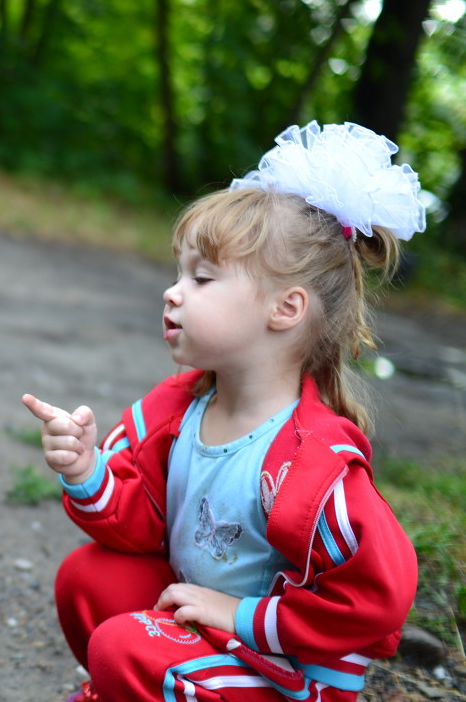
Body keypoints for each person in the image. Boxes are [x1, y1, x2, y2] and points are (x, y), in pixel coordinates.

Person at [22, 121, 424, 701]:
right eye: (179, 273)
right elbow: (141, 529)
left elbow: (380, 595)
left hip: (288, 671)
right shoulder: (177, 410)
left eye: (202, 278)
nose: (173, 292)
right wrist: (87, 470)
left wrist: (240, 614)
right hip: (211, 629)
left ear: (286, 309)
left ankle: (142, 677)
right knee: (90, 578)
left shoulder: (311, 465)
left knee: (122, 647)